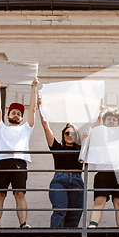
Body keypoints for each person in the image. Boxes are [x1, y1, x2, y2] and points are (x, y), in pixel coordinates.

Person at [0, 75, 38, 229]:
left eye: (19, 113)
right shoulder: (1, 127)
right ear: (7, 116)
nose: (16, 114)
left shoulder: (26, 129)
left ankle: (23, 224)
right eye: (13, 112)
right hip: (2, 162)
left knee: (19, 193)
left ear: (22, 119)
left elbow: (33, 109)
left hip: (19, 162)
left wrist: (33, 87)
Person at [88, 101, 119, 228]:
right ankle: (93, 226)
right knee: (99, 200)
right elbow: (94, 131)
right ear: (104, 121)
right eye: (109, 119)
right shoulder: (100, 132)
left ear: (118, 123)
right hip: (102, 171)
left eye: (114, 119)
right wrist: (99, 113)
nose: (111, 121)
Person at [38, 97, 84, 228]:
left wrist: (99, 112)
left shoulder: (82, 150)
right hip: (60, 180)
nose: (70, 135)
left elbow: (96, 132)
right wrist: (41, 108)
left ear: (76, 136)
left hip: (77, 181)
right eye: (67, 133)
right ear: (63, 135)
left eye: (73, 133)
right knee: (60, 209)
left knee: (75, 212)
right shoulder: (57, 147)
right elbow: (46, 127)